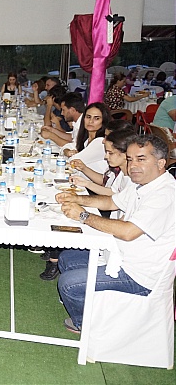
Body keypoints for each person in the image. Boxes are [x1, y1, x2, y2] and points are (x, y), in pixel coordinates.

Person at [56, 135, 175, 334]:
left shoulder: (165, 194)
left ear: (161, 163)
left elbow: (128, 232)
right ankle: (99, 306)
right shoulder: (142, 183)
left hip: (139, 276)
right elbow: (112, 202)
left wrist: (83, 215)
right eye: (130, 159)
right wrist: (77, 199)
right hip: (121, 255)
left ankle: (90, 326)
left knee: (68, 284)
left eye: (141, 159)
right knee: (67, 259)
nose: (133, 165)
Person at [64, 103, 111, 174]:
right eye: (88, 117)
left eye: (96, 118)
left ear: (103, 121)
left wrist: (69, 154)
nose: (91, 121)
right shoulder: (86, 139)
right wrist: (67, 151)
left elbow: (74, 161)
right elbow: (66, 146)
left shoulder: (101, 142)